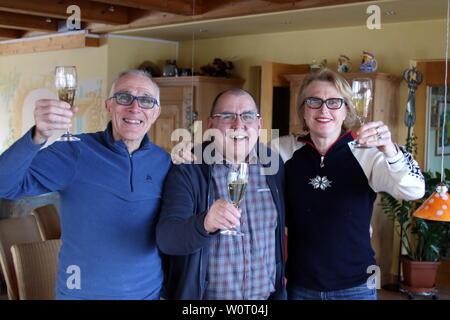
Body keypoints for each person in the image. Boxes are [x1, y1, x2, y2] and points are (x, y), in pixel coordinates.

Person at [0, 70, 171, 299]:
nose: (135, 107)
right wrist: (38, 135)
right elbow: (5, 185)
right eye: (124, 97)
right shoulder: (74, 150)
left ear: (156, 112)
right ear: (108, 106)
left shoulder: (164, 161)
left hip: (148, 294)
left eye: (146, 100)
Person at [280, 69, 425, 300]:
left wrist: (391, 150)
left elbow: (414, 189)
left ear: (346, 108)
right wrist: (201, 153)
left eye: (334, 102)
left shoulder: (368, 153)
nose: (324, 110)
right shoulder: (282, 150)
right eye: (314, 101)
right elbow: (238, 152)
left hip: (356, 285)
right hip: (300, 284)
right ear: (303, 110)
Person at [156, 88, 287, 300]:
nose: (238, 124)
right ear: (210, 125)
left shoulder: (273, 164)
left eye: (247, 116)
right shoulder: (189, 167)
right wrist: (204, 224)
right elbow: (167, 239)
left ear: (259, 124)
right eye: (227, 116)